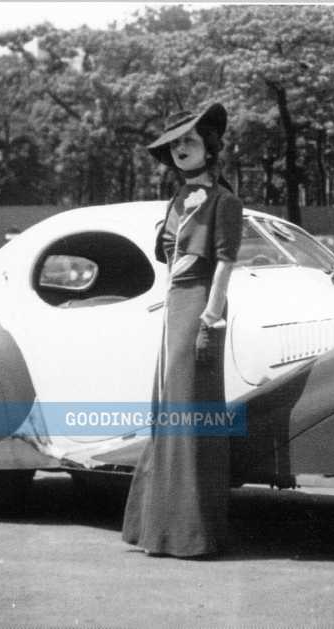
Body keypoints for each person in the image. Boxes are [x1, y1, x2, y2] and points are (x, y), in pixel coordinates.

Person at [122, 103, 243, 558]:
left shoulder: (225, 202)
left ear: (210, 149)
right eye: (175, 144)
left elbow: (225, 264)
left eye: (189, 142)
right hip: (174, 307)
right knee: (168, 410)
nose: (180, 150)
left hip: (199, 309)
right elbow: (169, 261)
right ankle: (159, 528)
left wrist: (210, 320)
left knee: (190, 411)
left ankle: (191, 533)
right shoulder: (176, 201)